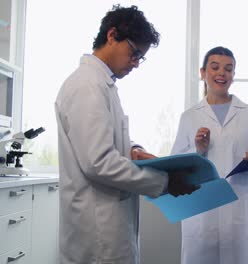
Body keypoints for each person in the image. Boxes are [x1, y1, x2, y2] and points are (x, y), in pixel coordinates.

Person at [55, 5, 197, 264]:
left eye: (140, 58)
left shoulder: (102, 84)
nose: (135, 64)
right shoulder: (87, 85)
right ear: (112, 36)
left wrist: (134, 150)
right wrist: (164, 182)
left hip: (109, 224)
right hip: (98, 233)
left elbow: (106, 139)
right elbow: (99, 162)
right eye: (133, 53)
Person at [171, 46, 248, 264]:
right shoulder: (189, 117)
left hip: (240, 208)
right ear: (203, 73)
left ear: (234, 75)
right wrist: (198, 150)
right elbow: (175, 166)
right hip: (202, 211)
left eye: (228, 69)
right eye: (215, 67)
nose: (222, 73)